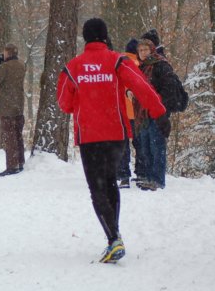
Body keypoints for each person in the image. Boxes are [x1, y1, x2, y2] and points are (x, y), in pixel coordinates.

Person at [57, 18, 166, 263]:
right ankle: (114, 236)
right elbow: (141, 86)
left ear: (85, 38)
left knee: (97, 188)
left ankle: (114, 238)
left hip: (89, 136)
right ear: (105, 36)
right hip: (116, 133)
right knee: (109, 183)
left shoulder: (73, 67)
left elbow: (64, 103)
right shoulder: (118, 61)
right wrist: (159, 113)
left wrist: (84, 102)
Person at [134, 38, 176, 191]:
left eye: (145, 49)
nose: (143, 53)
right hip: (143, 113)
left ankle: (157, 179)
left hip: (158, 112)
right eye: (140, 50)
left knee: (156, 146)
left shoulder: (161, 65)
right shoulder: (141, 67)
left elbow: (169, 88)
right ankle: (148, 177)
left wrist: (159, 104)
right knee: (145, 146)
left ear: (152, 50)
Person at [0, 43, 26, 176]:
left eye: (4, 53)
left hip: (7, 106)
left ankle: (12, 166)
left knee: (9, 136)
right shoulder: (22, 65)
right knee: (18, 135)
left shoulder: (5, 67)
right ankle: (20, 162)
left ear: (7, 53)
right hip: (19, 105)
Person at [117, 38, 146, 188]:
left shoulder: (118, 63)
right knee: (140, 145)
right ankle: (141, 174)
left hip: (121, 112)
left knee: (123, 146)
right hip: (137, 113)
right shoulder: (141, 65)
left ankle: (123, 177)